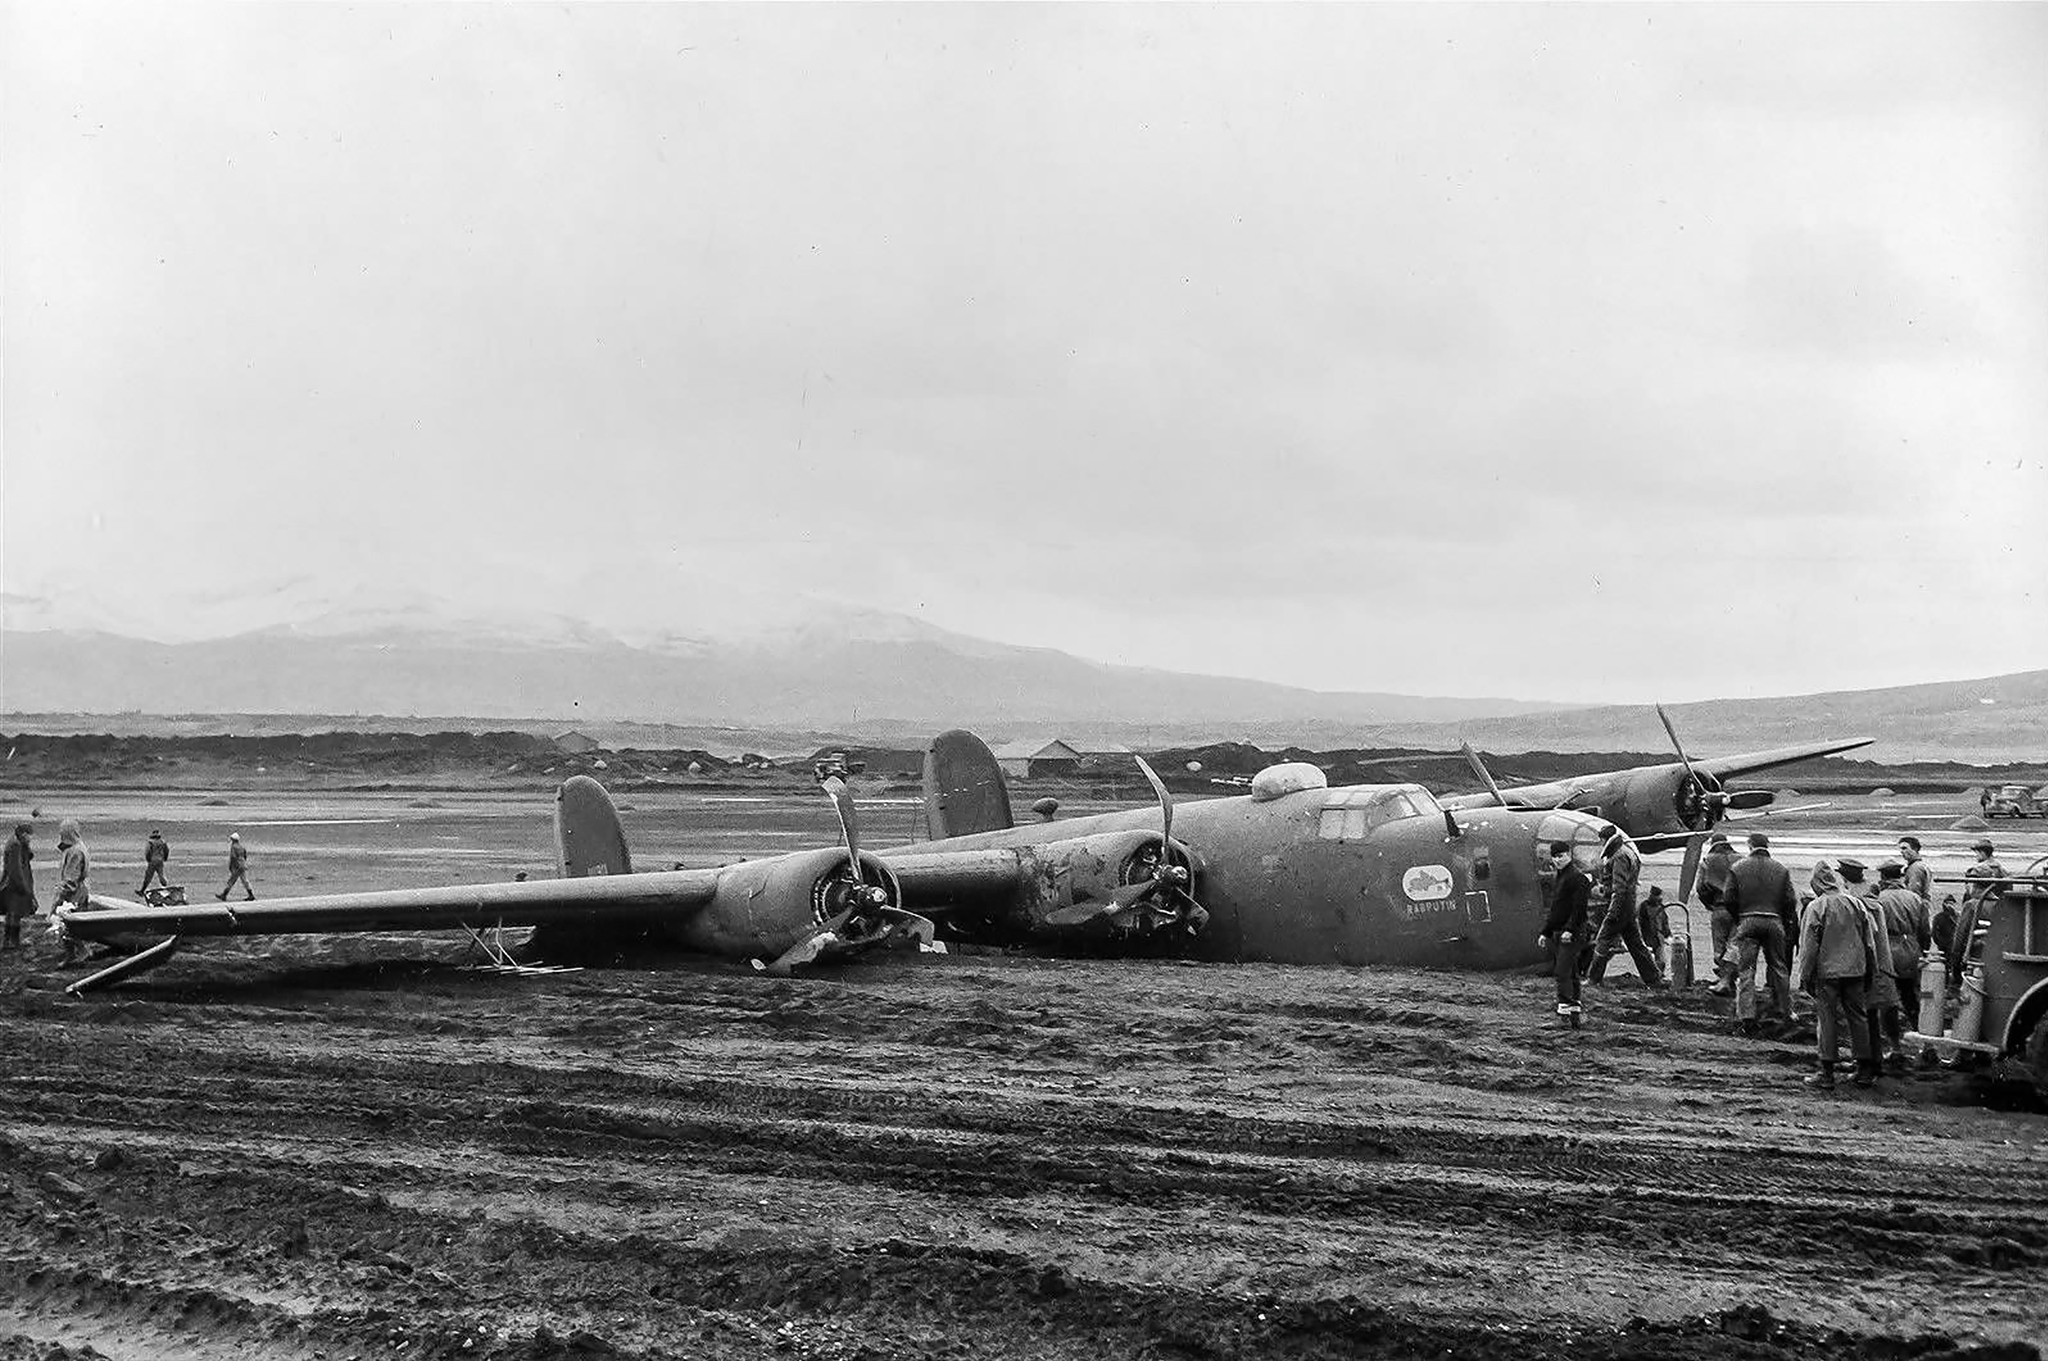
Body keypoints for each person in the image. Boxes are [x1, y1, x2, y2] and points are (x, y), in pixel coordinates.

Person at [1797, 860, 1882, 1089]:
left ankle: (1826, 1071)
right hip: (1856, 970)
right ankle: (1864, 1069)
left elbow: (1809, 947)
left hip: (1828, 973)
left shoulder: (1817, 907)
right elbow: (1870, 940)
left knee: (1827, 1020)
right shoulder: (1856, 904)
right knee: (1858, 1017)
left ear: (1817, 883)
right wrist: (1871, 969)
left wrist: (1804, 975)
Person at [1714, 831, 1798, 1032]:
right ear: (1767, 846)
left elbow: (1729, 898)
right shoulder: (1781, 869)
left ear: (1749, 846)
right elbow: (1790, 901)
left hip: (1748, 920)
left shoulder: (1738, 868)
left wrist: (1740, 918)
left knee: (1747, 970)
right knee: (1778, 967)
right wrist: (1782, 920)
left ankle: (1747, 1016)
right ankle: (1785, 1009)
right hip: (1774, 921)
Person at [1586, 827, 1665, 987]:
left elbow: (1619, 888)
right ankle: (1653, 979)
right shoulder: (1627, 851)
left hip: (1620, 906)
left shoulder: (1618, 856)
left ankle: (1593, 978)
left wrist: (1613, 911)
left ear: (1604, 839)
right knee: (1635, 943)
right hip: (1628, 905)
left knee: (1603, 939)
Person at [1873, 861, 1932, 1069]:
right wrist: (1922, 950)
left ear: (1883, 878)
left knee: (1887, 1001)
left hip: (1888, 950)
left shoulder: (1880, 900)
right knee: (1913, 999)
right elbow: (1925, 930)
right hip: (1912, 950)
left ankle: (1895, 1047)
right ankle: (1927, 1044)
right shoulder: (1915, 898)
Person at [1538, 841, 1591, 1027]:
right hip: (1561, 932)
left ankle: (1564, 1012)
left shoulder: (1577, 878)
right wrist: (1546, 932)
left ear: (1569, 855)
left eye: (1561, 856)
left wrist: (1569, 929)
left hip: (1572, 933)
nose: (1558, 860)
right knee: (1572, 971)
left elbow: (1579, 909)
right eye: (1555, 856)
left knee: (1562, 971)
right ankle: (1575, 1010)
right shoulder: (1562, 877)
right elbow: (1557, 910)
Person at [1948, 838, 2007, 987]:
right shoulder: (2002, 904)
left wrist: (1954, 964)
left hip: (1973, 958)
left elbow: (1960, 937)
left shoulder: (1972, 905)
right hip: (1996, 957)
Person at [1697, 834, 1738, 982]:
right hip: (1739, 909)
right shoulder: (1742, 860)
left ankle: (1724, 976)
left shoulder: (1707, 861)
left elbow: (1700, 887)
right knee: (1735, 944)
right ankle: (1729, 976)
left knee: (1719, 947)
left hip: (1719, 907)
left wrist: (1709, 904)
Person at [54, 819, 93, 966]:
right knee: (70, 924)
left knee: (68, 923)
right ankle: (73, 953)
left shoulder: (75, 851)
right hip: (79, 889)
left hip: (75, 892)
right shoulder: (77, 847)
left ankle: (80, 952)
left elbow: (71, 878)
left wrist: (61, 895)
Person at [0, 824, 35, 952]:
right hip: (15, 885)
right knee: (14, 913)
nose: (30, 838)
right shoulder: (16, 845)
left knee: (13, 913)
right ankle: (11, 941)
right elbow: (16, 869)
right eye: (29, 835)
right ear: (23, 834)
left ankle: (11, 940)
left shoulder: (17, 843)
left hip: (14, 883)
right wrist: (23, 887)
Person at [1638, 886, 1673, 981]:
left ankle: (1659, 975)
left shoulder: (1661, 907)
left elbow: (1665, 921)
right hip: (1648, 936)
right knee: (1649, 958)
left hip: (1659, 937)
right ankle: (1651, 976)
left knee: (1661, 960)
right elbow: (1639, 921)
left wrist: (1668, 934)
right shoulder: (1644, 906)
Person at [1897, 836, 1934, 908]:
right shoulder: (1919, 866)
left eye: (1904, 848)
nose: (1901, 851)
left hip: (1917, 908)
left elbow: (1913, 893)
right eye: (1901, 849)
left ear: (1915, 849)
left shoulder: (1916, 868)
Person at [217, 832, 255, 902]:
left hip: (237, 866)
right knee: (245, 881)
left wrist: (231, 866)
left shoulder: (233, 847)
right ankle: (251, 894)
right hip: (243, 865)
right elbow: (245, 855)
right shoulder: (241, 847)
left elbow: (233, 857)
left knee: (231, 881)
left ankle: (224, 895)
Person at [140, 829, 171, 895]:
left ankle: (142, 890)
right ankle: (165, 888)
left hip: (153, 860)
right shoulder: (162, 842)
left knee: (148, 875)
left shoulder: (150, 842)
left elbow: (148, 851)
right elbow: (167, 850)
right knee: (161, 875)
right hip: (160, 860)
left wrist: (148, 859)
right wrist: (165, 858)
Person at [1932, 894, 1959, 959]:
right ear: (1944, 904)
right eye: (1948, 903)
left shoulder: (1957, 916)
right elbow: (1934, 933)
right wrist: (1939, 943)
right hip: (1944, 945)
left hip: (1953, 946)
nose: (1950, 905)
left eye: (1952, 903)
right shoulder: (1938, 917)